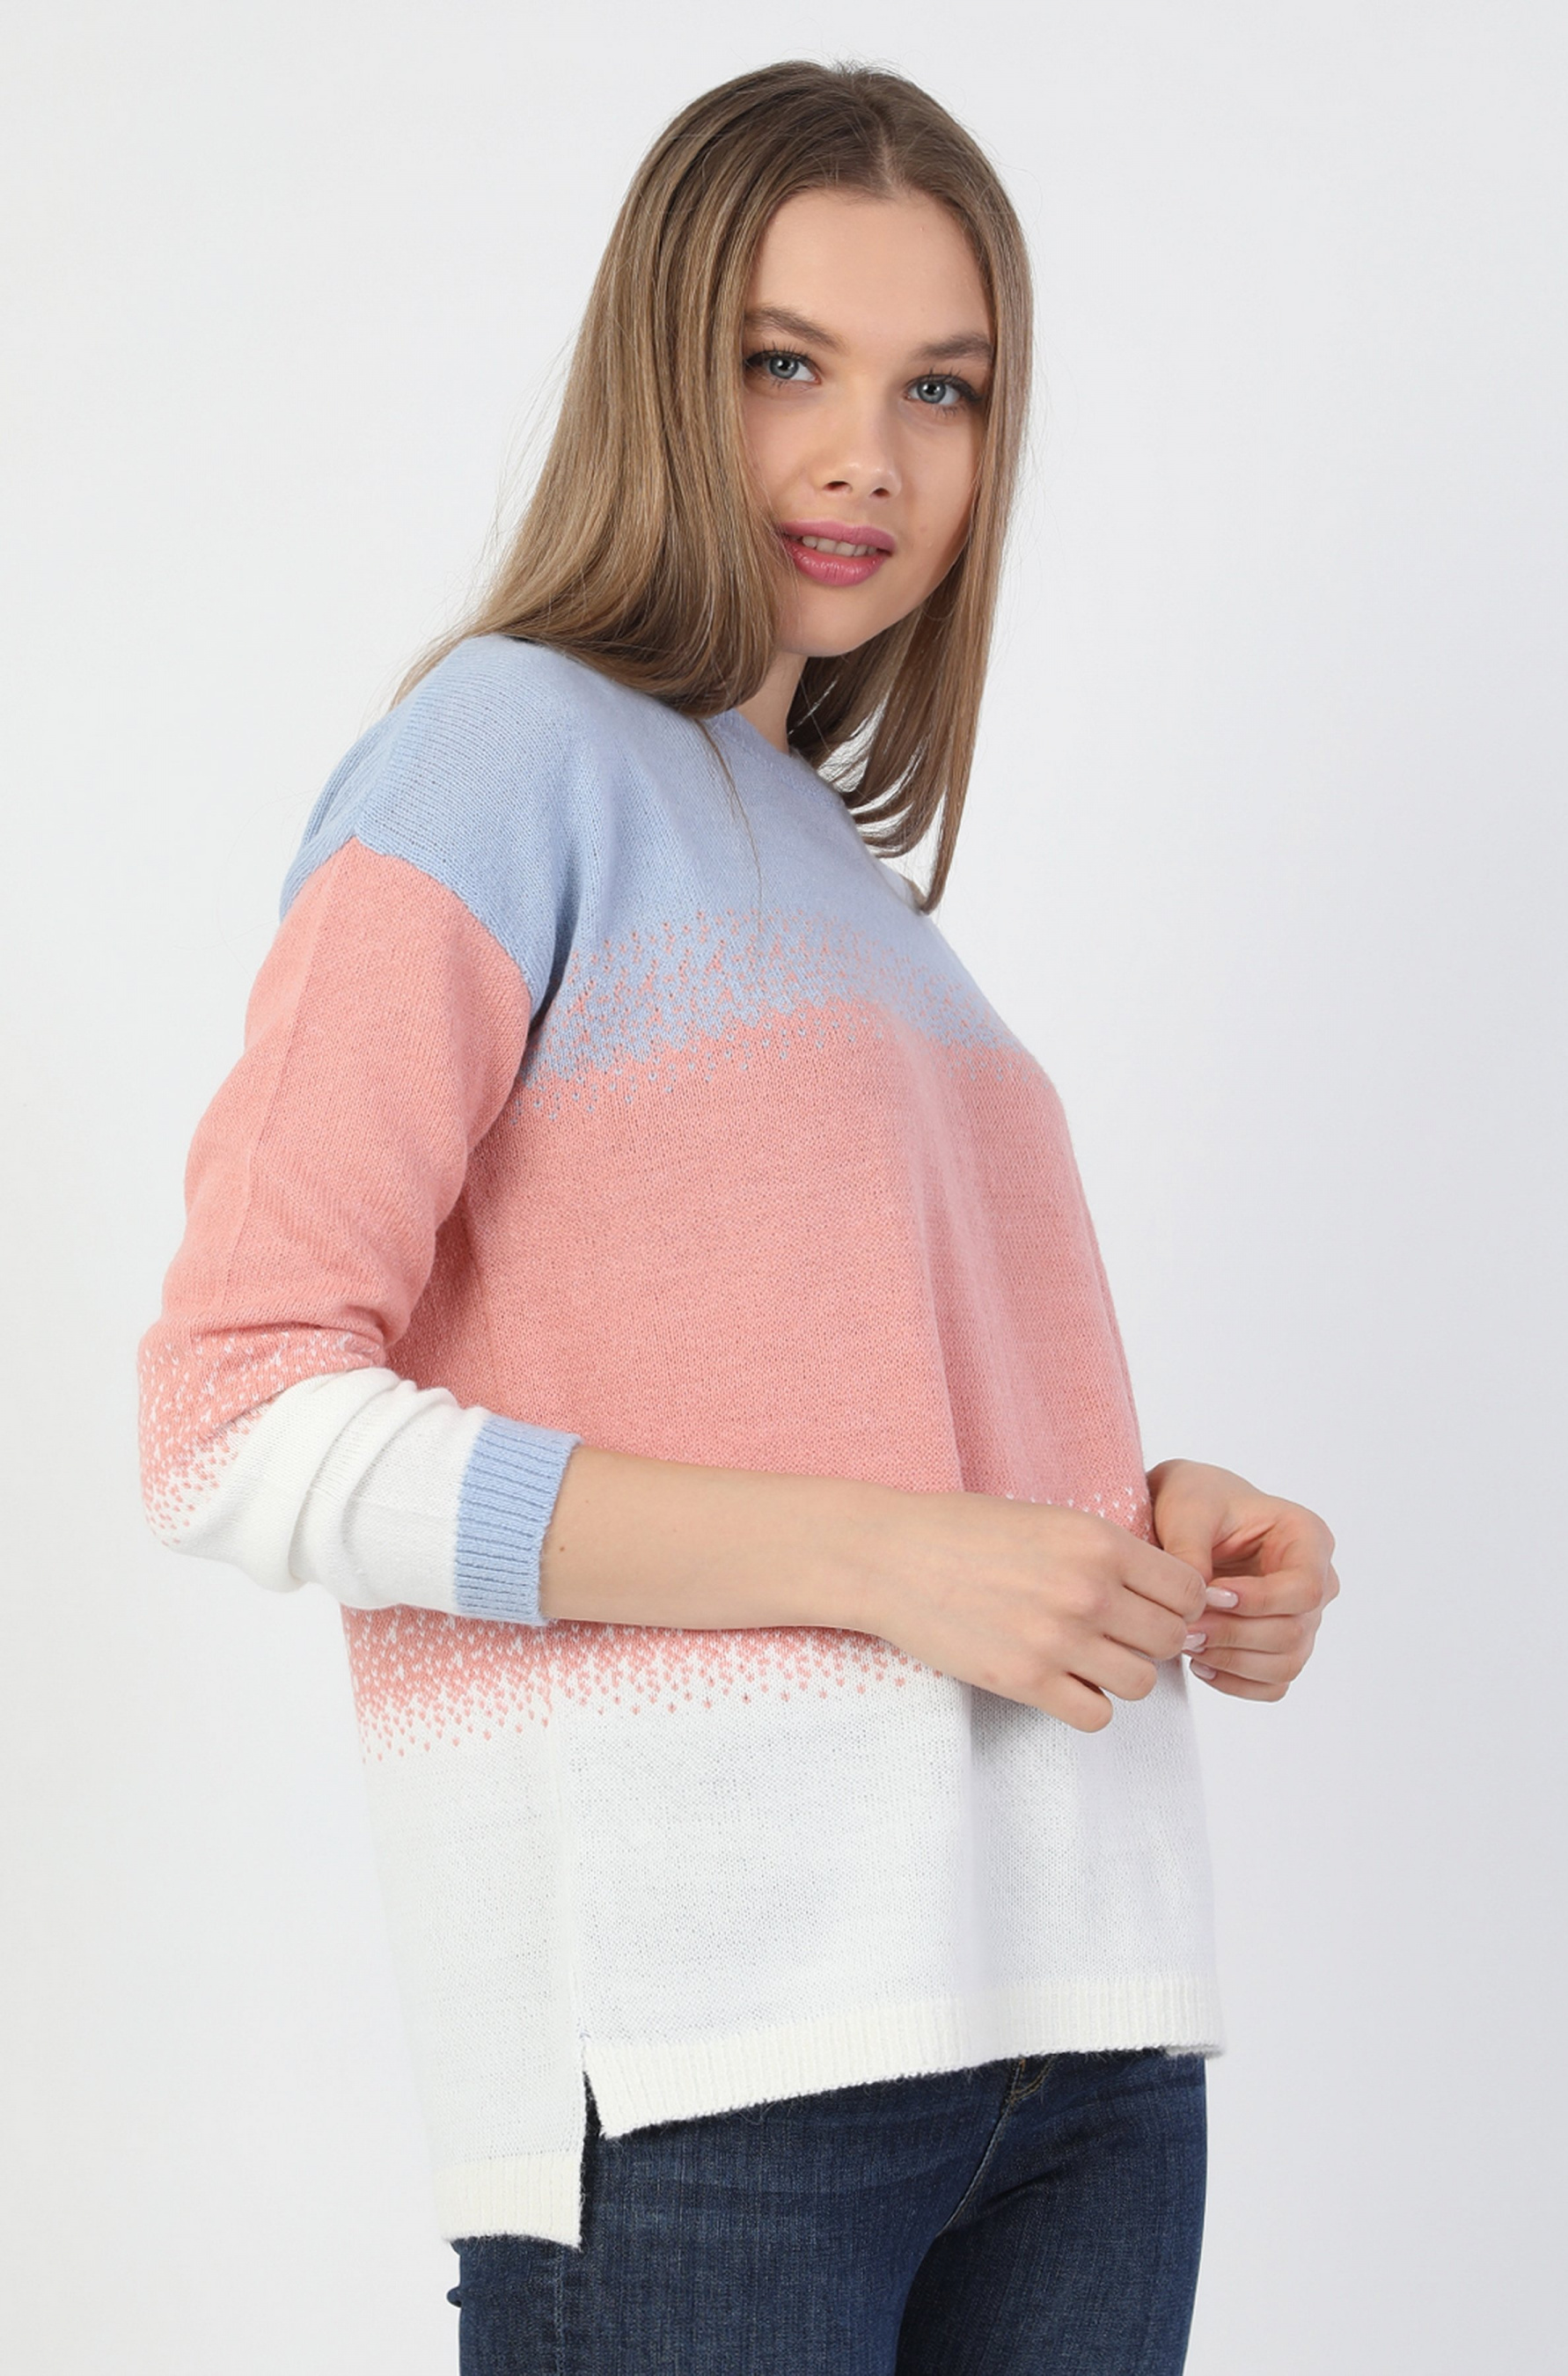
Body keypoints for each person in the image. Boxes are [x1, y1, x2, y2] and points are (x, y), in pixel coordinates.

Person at [139, 58, 1338, 2375]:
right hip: (715, 2055)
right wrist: (888, 1556)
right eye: (788, 362)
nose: (866, 456)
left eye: (939, 388)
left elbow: (845, 1393)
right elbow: (229, 1415)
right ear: (660, 370)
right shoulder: (506, 750)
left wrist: (1141, 1529)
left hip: (1082, 2017)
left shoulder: (851, 880)